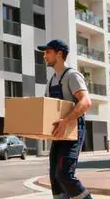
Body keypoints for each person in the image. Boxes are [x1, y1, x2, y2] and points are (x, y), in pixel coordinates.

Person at [38, 39, 93, 199]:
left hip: (73, 130)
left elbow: (86, 101)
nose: (44, 56)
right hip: (59, 132)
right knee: (55, 177)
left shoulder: (72, 75)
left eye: (48, 52)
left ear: (59, 53)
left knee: (64, 174)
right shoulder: (51, 81)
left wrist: (66, 121)